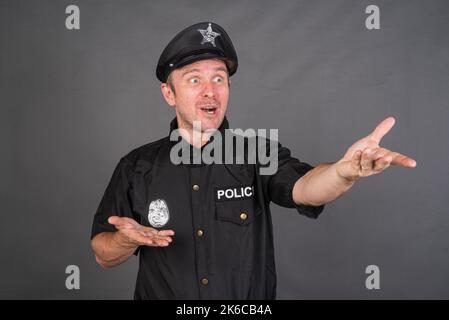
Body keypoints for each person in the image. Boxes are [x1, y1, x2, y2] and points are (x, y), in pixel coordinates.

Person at [90, 22, 416, 300]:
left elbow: (306, 188)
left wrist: (344, 173)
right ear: (169, 94)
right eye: (194, 79)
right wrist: (123, 241)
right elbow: (103, 255)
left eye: (218, 78)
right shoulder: (136, 166)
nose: (209, 91)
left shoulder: (256, 154)